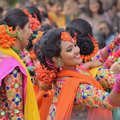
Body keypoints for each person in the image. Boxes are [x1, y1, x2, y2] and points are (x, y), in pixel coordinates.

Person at [34, 28, 120, 120]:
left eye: (75, 45)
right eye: (70, 49)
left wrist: (113, 44)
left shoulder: (68, 70)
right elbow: (109, 102)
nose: (77, 50)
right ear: (57, 60)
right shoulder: (74, 87)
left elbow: (95, 60)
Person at [0, 8, 40, 120]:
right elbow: (15, 113)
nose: (31, 32)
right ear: (19, 30)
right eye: (28, 27)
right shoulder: (12, 67)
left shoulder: (3, 56)